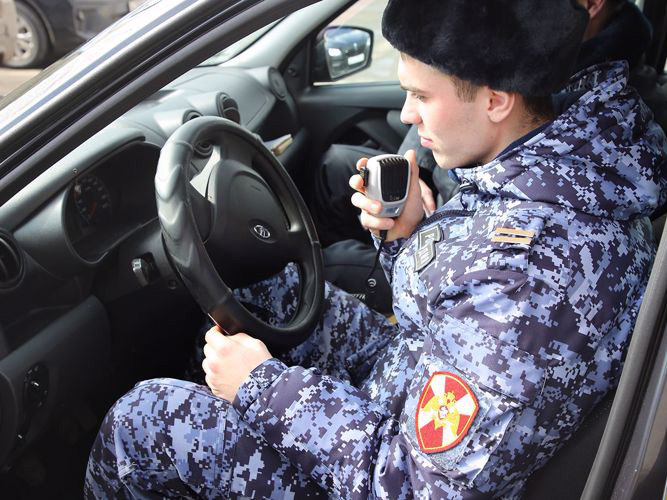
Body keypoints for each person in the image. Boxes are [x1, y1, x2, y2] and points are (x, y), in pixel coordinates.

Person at [84, 0, 667, 498]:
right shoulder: (558, 164)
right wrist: (408, 236)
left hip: (392, 469)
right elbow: (465, 302)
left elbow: (413, 482)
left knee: (147, 420)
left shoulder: (532, 273)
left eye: (421, 95)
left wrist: (260, 387)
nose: (407, 113)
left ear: (496, 99)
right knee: (270, 289)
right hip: (407, 375)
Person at [309, 0, 657, 250]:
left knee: (326, 267)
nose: (406, 115)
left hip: (441, 253)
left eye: (421, 96)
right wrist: (411, 212)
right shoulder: (560, 110)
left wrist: (410, 238)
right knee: (334, 166)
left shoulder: (524, 252)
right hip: (437, 235)